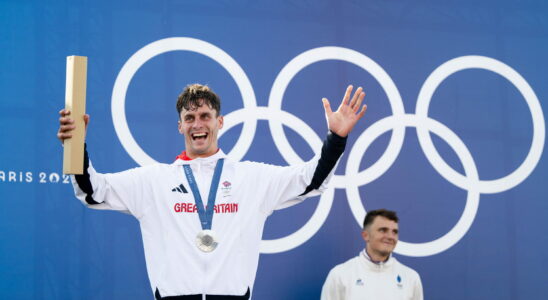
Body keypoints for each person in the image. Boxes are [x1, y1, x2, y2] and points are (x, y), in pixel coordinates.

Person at [57, 83, 367, 299]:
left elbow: (310, 180)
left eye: (205, 116)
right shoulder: (153, 181)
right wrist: (76, 146)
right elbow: (93, 191)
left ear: (219, 122)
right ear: (180, 126)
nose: (197, 124)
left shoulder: (251, 178)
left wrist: (336, 138)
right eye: (189, 118)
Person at [321, 209, 423, 300]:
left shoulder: (411, 277)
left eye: (394, 232)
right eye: (383, 230)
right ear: (365, 235)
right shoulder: (340, 275)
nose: (390, 236)